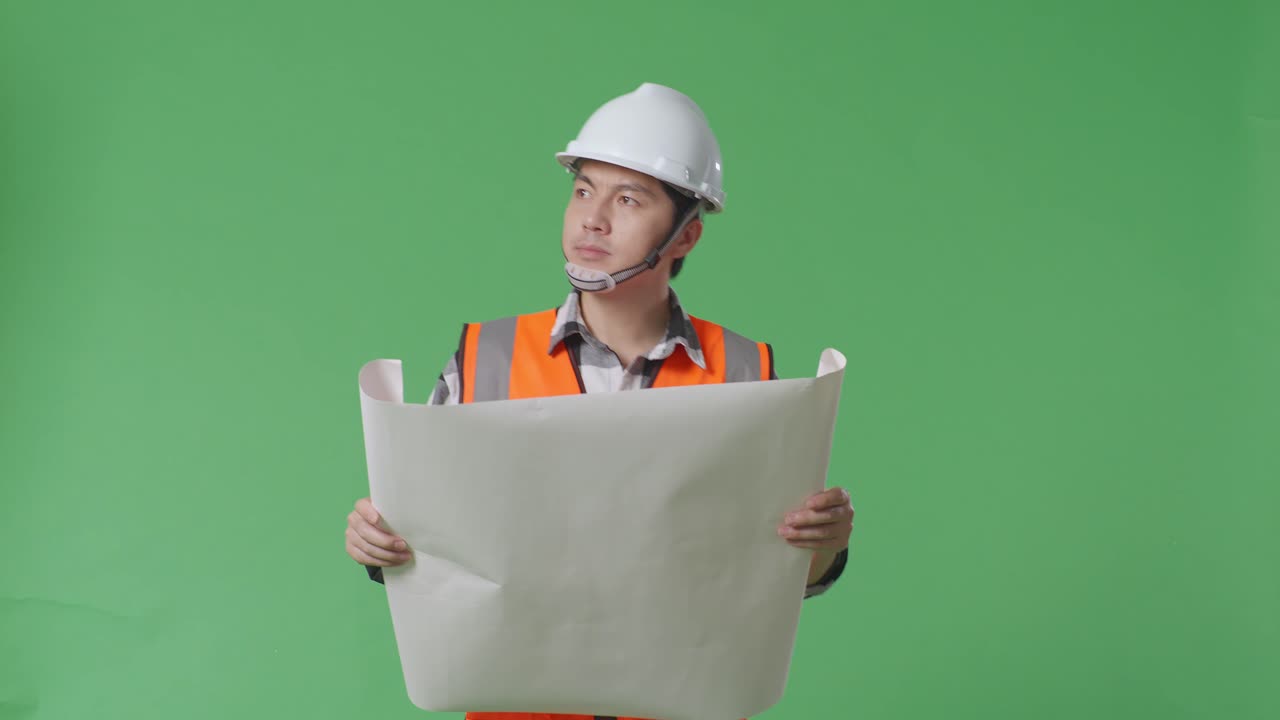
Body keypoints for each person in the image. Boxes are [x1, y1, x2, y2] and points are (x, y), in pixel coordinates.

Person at [344, 82, 855, 720]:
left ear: (686, 237)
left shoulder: (749, 372)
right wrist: (379, 544)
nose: (593, 217)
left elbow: (764, 575)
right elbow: (433, 556)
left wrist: (823, 547)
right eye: (583, 189)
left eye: (628, 198)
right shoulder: (484, 359)